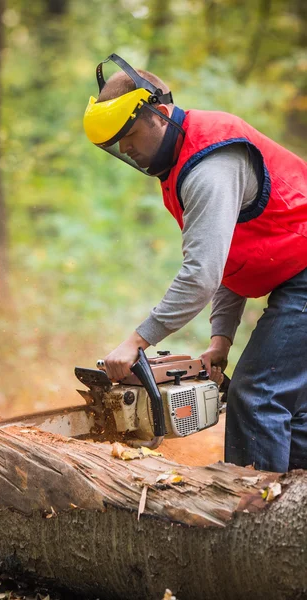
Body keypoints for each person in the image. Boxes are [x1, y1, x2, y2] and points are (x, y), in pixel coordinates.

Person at [83, 54, 307, 473]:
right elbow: (231, 258)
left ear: (160, 114)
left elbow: (201, 275)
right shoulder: (183, 164)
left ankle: (252, 521)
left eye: (129, 134)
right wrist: (221, 339)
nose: (126, 148)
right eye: (118, 144)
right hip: (297, 273)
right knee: (294, 410)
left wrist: (137, 341)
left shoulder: (208, 168)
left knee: (258, 395)